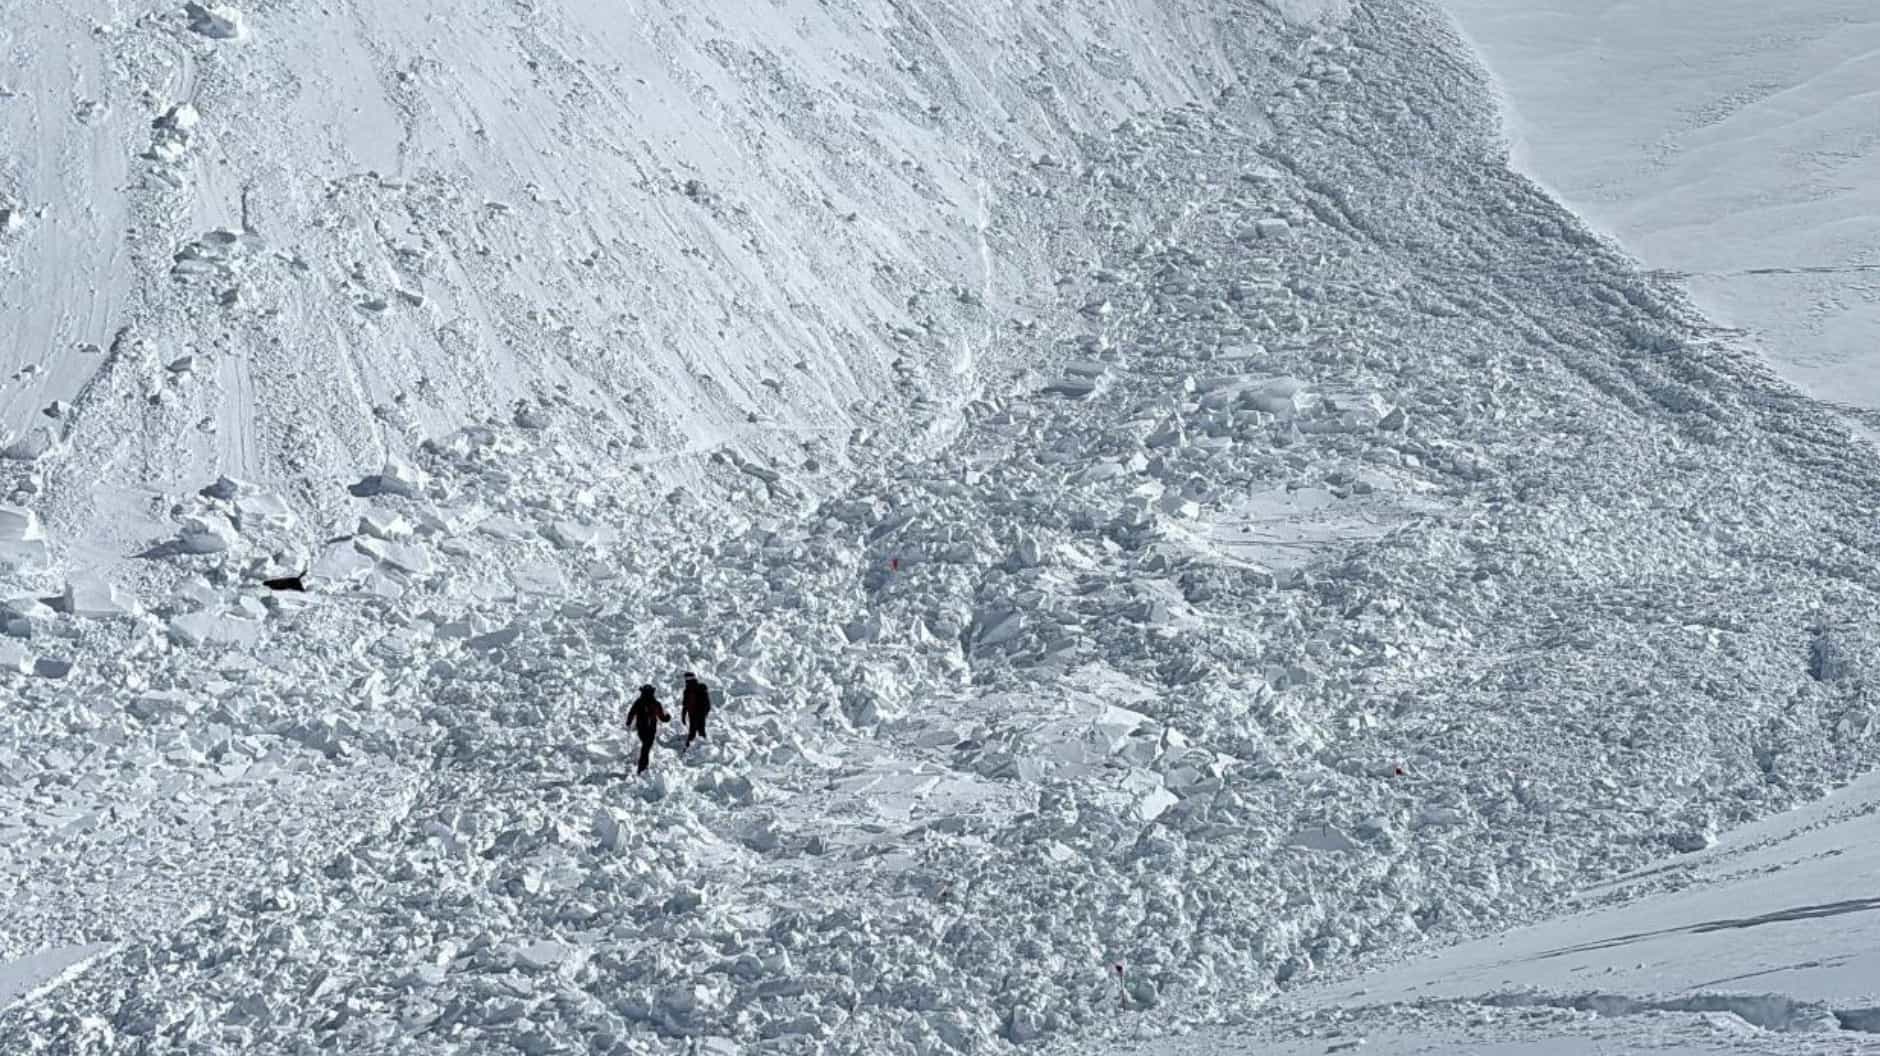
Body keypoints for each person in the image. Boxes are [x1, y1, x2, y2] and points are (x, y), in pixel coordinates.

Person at [627, 684, 669, 773]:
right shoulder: (656, 703)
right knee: (646, 748)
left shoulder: (639, 702)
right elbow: (662, 717)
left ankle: (643, 768)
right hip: (651, 730)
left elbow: (632, 712)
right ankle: (642, 768)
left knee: (645, 747)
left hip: (642, 729)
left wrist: (629, 722)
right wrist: (667, 718)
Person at [681, 672, 712, 748]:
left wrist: (703, 714)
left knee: (698, 731)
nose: (686, 681)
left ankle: (704, 748)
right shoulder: (687, 691)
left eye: (687, 679)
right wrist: (683, 715)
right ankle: (694, 748)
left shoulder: (700, 688)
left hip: (698, 714)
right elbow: (685, 704)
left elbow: (707, 704)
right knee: (696, 731)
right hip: (693, 714)